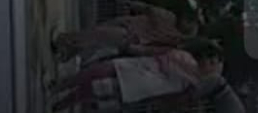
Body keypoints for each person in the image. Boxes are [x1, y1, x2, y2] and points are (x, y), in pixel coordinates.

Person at [49, 41, 243, 113]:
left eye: (213, 63)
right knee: (94, 72)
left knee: (91, 90)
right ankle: (58, 87)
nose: (209, 62)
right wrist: (138, 50)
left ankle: (60, 104)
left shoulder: (192, 85)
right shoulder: (187, 57)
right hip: (138, 66)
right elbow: (161, 51)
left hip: (137, 86)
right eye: (210, 59)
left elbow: (170, 100)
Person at [52, 1, 199, 65]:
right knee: (95, 35)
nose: (185, 22)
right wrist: (130, 4)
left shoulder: (174, 38)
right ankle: (67, 52)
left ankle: (62, 39)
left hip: (130, 36)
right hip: (130, 23)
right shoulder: (171, 18)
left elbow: (155, 48)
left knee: (96, 35)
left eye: (188, 24)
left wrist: (137, 49)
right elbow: (148, 9)